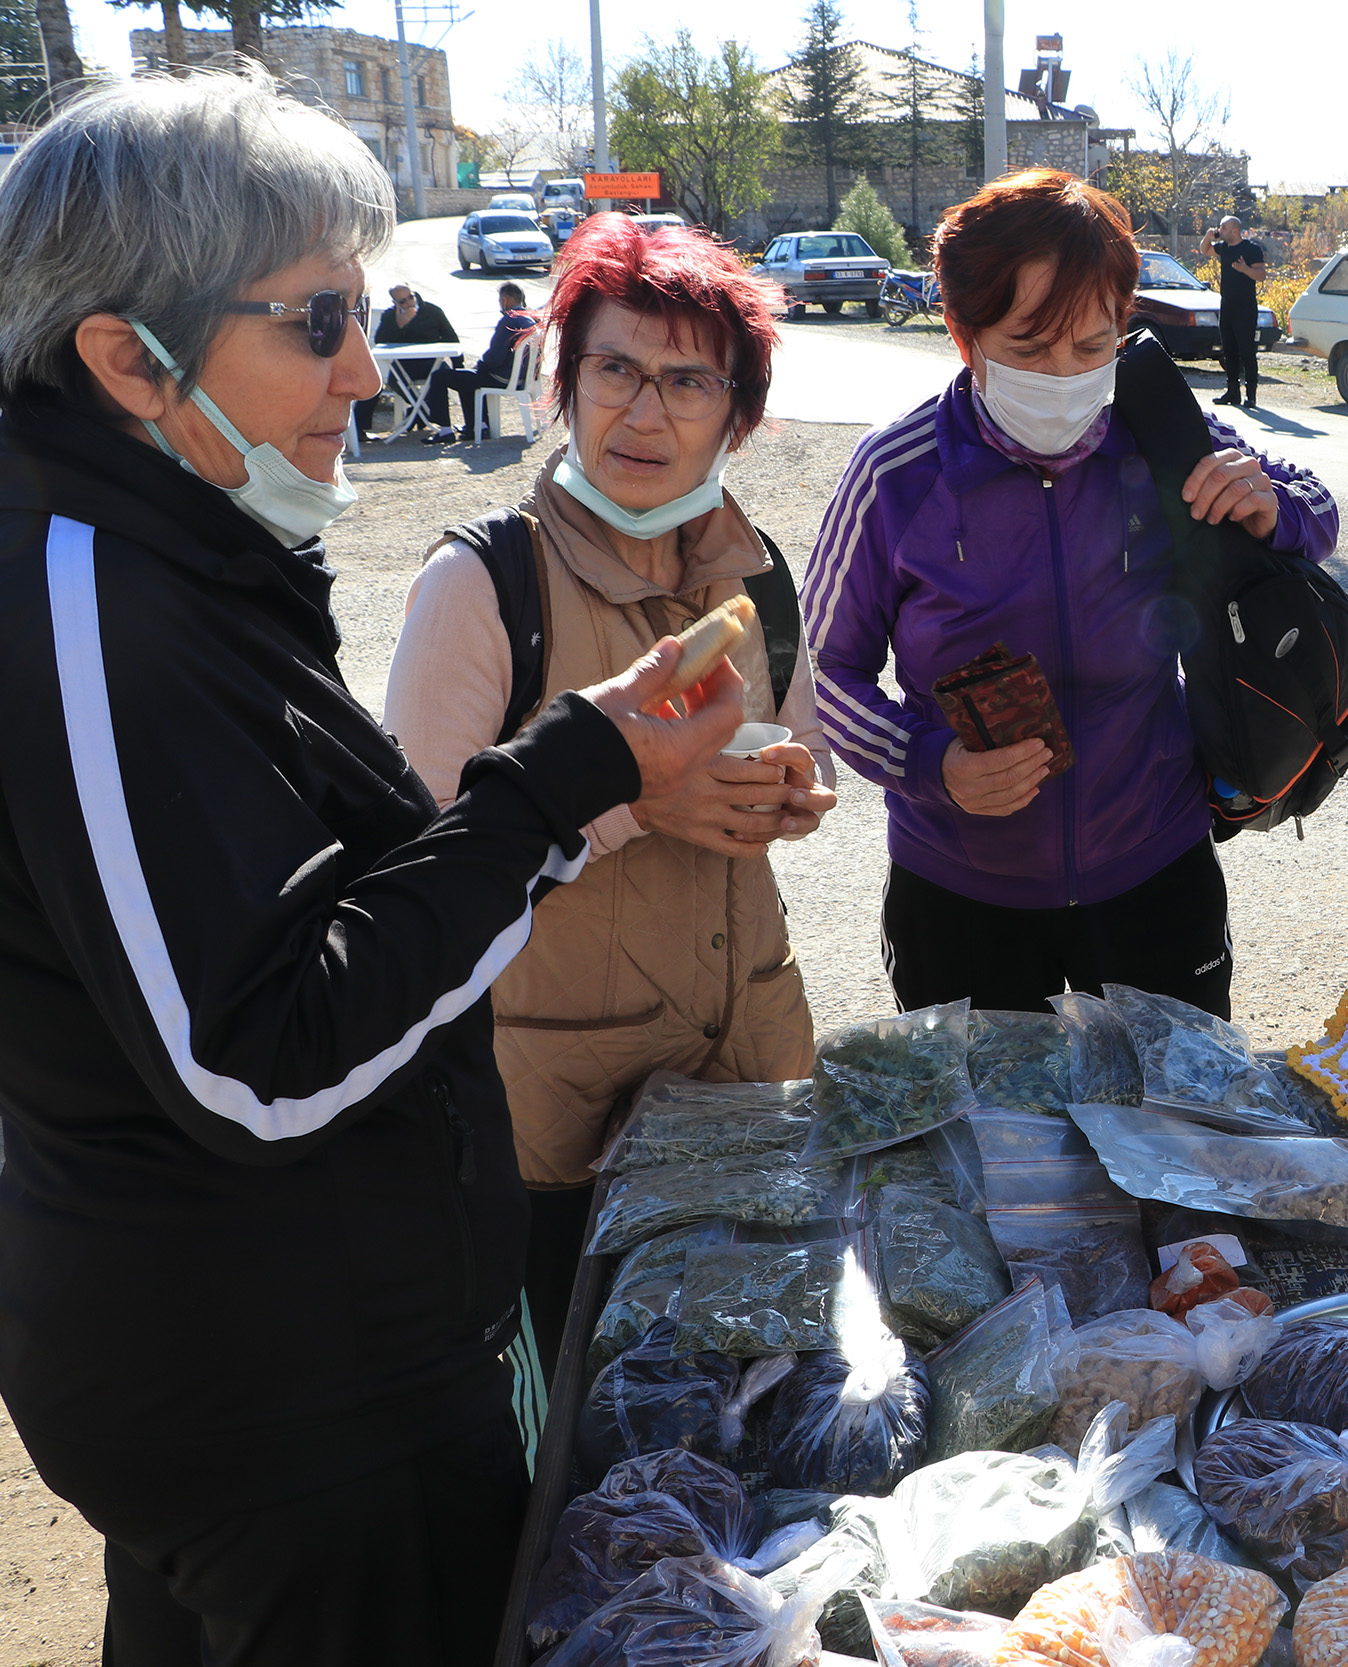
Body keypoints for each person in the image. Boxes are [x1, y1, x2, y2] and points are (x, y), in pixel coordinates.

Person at [0, 71, 744, 1664]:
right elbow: (250, 1057)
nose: (370, 365)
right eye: (318, 318)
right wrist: (565, 780)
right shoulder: (83, 596)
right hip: (287, 1403)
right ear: (126, 357)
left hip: (300, 1363)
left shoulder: (172, 543)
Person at [384, 211, 835, 1365]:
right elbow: (416, 868)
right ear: (564, 381)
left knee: (736, 1417)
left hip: (745, 1075)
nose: (644, 412)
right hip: (556, 1123)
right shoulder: (483, 582)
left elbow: (799, 743)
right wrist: (638, 803)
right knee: (575, 1445)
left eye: (688, 380)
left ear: (737, 413)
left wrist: (789, 791)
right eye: (615, 369)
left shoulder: (758, 574)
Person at [805, 169, 1338, 1017]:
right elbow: (821, 671)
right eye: (1026, 346)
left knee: (1170, 1133)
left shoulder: (1161, 431)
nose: (1062, 375)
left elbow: (1315, 503)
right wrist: (928, 763)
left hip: (1156, 869)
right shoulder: (895, 474)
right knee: (986, 1143)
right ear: (962, 332)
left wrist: (1274, 508)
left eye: (1092, 347)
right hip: (960, 896)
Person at [424, 278, 537, 442]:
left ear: (505, 300)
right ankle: (478, 426)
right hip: (521, 377)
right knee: (466, 378)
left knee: (440, 376)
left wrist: (480, 367)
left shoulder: (509, 320)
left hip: (503, 378)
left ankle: (445, 430)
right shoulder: (529, 319)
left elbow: (495, 357)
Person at [354, 281, 458, 439]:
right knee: (387, 381)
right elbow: (381, 341)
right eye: (403, 301)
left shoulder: (432, 311)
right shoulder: (390, 315)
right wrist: (400, 324)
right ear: (395, 303)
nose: (409, 303)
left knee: (441, 376)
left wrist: (458, 364)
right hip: (405, 365)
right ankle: (423, 410)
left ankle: (441, 425)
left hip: (432, 361)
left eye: (411, 297)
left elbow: (452, 338)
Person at [1204, 214, 1265, 407]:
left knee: (1246, 351)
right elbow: (1205, 250)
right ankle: (1232, 392)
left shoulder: (1251, 249)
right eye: (1220, 228)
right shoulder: (1224, 248)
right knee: (1228, 351)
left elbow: (1261, 275)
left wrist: (1244, 269)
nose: (1220, 230)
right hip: (1227, 306)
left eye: (1223, 228)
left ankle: (1251, 395)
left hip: (1245, 308)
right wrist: (1208, 236)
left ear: (1235, 231)